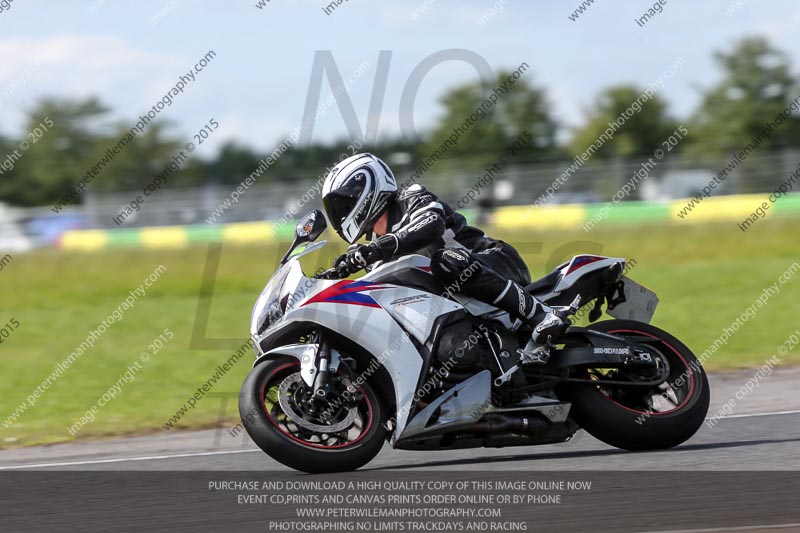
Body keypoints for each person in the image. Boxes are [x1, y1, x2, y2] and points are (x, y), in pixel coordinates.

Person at [320, 153, 569, 356]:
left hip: (493, 261)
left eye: (344, 204)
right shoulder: (373, 252)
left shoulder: (410, 197)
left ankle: (541, 314)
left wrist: (374, 250)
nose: (340, 214)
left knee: (445, 260)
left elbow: (430, 225)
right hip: (462, 303)